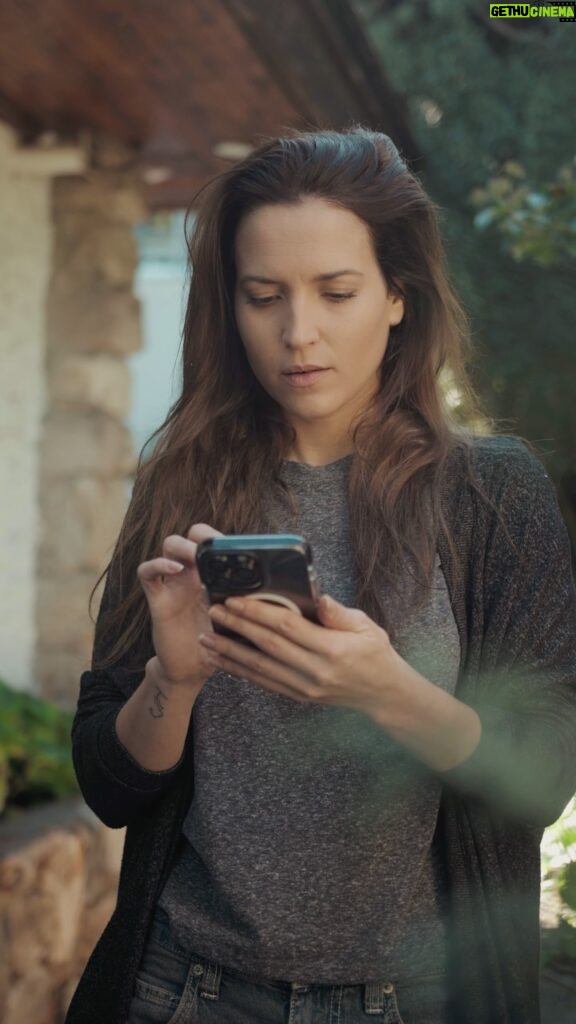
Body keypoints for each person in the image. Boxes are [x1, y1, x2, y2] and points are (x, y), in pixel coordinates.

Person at [64, 127, 576, 1024]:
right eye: (264, 296)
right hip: (185, 990)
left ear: (396, 298)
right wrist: (171, 682)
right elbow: (111, 786)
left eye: (336, 292)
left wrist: (390, 691)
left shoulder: (492, 497)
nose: (298, 333)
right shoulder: (181, 486)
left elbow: (545, 773)